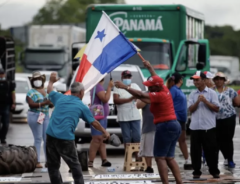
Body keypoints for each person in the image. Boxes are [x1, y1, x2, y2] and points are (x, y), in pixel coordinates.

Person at [115, 61, 182, 184]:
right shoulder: (164, 88)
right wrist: (150, 68)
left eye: (150, 86)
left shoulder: (159, 95)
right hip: (174, 125)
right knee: (169, 158)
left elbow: (140, 94)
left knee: (160, 158)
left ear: (156, 87)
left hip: (165, 126)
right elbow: (156, 80)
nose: (149, 88)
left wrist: (125, 87)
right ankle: (179, 183)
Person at [46, 72, 110, 184]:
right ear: (81, 92)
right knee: (74, 165)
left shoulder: (60, 98)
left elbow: (50, 91)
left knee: (53, 166)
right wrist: (104, 131)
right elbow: (94, 123)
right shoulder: (81, 106)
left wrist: (51, 81)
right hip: (65, 137)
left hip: (50, 135)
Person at [188, 71, 220, 179]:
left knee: (211, 150)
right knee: (195, 151)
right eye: (194, 80)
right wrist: (198, 102)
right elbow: (191, 109)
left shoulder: (212, 93)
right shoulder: (192, 94)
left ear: (203, 80)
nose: (195, 82)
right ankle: (196, 171)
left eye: (197, 79)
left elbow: (216, 108)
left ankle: (214, 171)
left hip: (208, 127)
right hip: (195, 127)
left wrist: (205, 101)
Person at [212, 72, 239, 168]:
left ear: (224, 80)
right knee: (216, 140)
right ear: (214, 80)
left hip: (229, 118)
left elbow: (237, 102)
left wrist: (230, 106)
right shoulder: (211, 91)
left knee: (228, 140)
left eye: (221, 79)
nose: (219, 81)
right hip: (215, 118)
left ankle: (230, 159)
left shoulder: (230, 91)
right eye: (217, 79)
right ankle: (217, 160)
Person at [113, 70, 141, 160]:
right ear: (122, 78)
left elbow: (140, 95)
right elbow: (116, 101)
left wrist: (133, 98)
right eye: (125, 77)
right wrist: (129, 99)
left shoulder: (135, 86)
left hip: (135, 115)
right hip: (123, 117)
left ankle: (137, 156)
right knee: (127, 137)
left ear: (131, 78)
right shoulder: (117, 87)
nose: (127, 79)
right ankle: (128, 157)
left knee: (137, 136)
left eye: (129, 77)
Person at [26, 71, 51, 168]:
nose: (37, 81)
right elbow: (31, 104)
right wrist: (44, 103)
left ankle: (48, 160)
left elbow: (51, 103)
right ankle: (37, 161)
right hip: (35, 115)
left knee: (46, 138)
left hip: (45, 115)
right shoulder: (31, 92)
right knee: (38, 138)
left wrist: (50, 102)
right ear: (32, 81)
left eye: (39, 79)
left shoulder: (45, 90)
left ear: (42, 80)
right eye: (35, 79)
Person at [88, 78, 114, 167]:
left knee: (101, 139)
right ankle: (90, 161)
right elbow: (105, 99)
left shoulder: (97, 86)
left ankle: (104, 159)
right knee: (96, 139)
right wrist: (110, 87)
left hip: (102, 116)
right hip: (98, 116)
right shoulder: (98, 87)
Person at [166, 73, 189, 167]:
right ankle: (169, 160)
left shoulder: (179, 90)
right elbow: (168, 103)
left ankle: (187, 160)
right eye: (182, 79)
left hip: (182, 119)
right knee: (172, 140)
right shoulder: (173, 90)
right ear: (180, 80)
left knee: (182, 139)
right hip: (175, 118)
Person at [136, 94, 156, 173]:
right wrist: (149, 98)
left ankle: (163, 165)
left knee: (161, 150)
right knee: (148, 148)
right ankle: (149, 167)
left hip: (160, 126)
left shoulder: (162, 93)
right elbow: (138, 105)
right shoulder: (144, 94)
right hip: (148, 126)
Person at [0, 68, 15, 145]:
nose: (2, 75)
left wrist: (13, 103)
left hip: (6, 106)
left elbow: (13, 93)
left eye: (3, 74)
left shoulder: (9, 83)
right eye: (0, 74)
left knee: (6, 124)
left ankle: (3, 138)